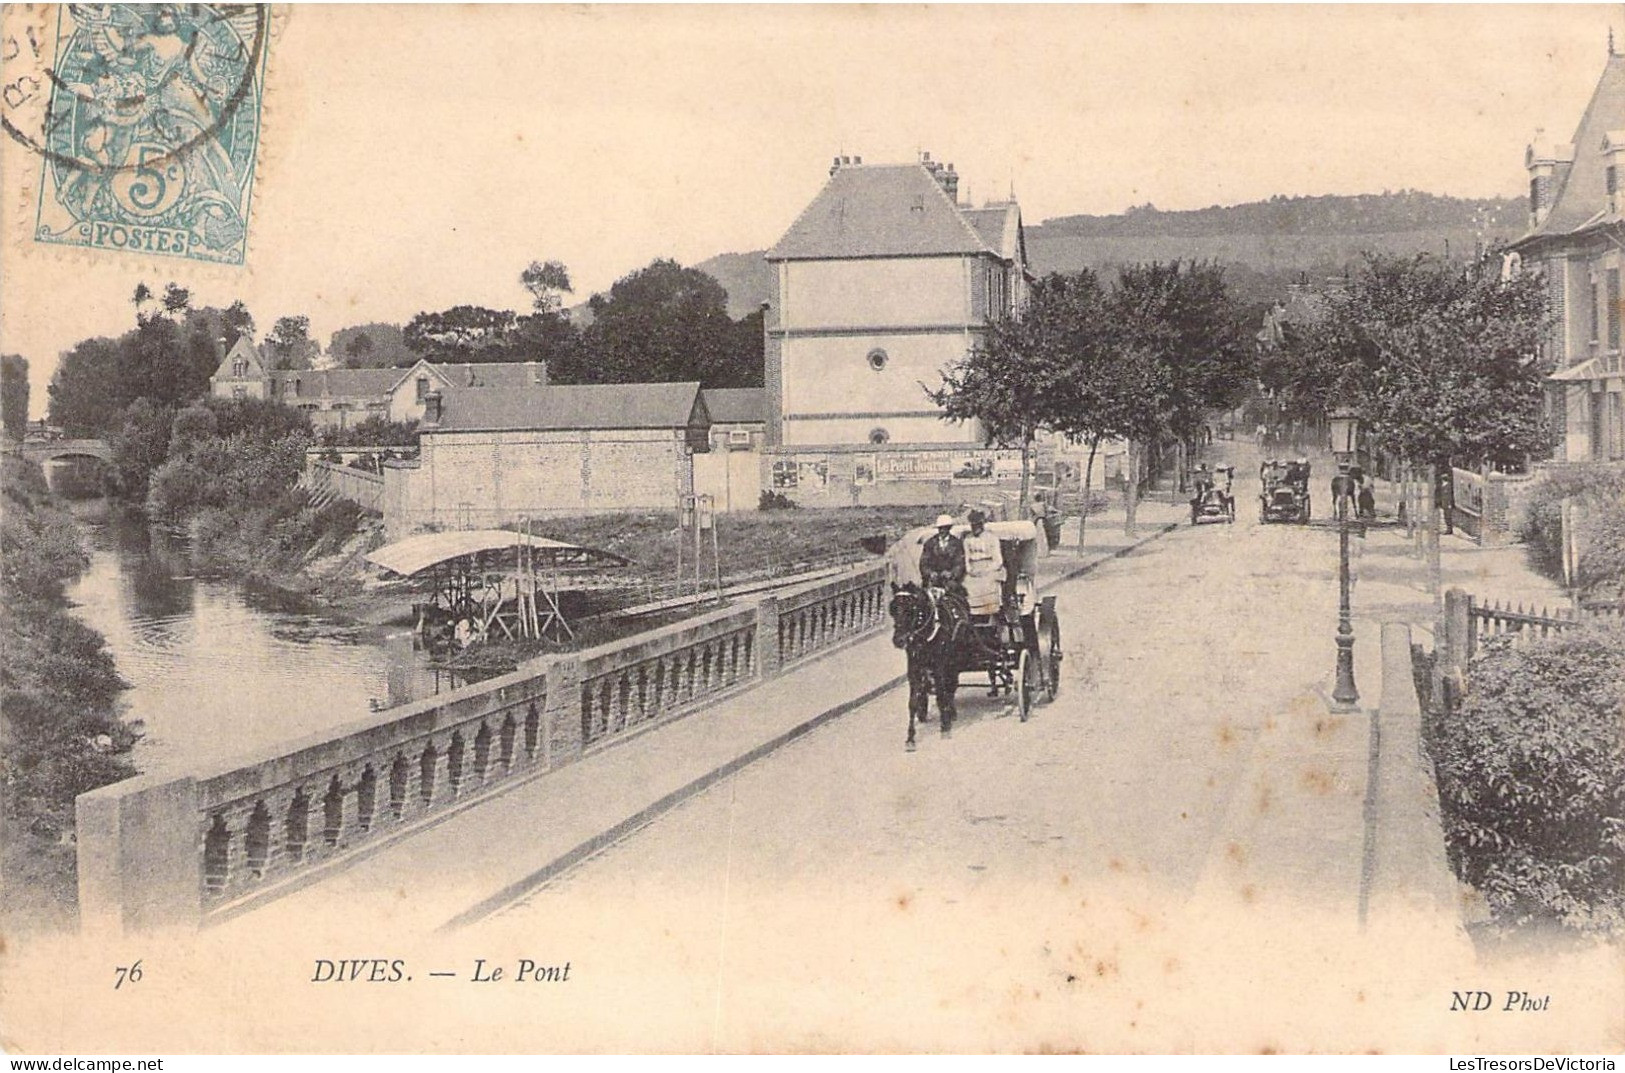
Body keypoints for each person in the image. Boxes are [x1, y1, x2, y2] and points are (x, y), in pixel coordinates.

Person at [962, 510, 1006, 615]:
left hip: (990, 566)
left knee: (988, 582)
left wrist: (986, 570)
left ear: (982, 524)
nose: (975, 528)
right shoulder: (968, 539)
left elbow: (998, 560)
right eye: (973, 525)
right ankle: (971, 611)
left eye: (977, 525)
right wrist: (970, 570)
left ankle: (991, 610)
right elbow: (966, 558)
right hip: (974, 568)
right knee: (966, 583)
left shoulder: (992, 538)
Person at [919, 514, 966, 593]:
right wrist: (930, 573)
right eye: (940, 528)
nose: (942, 531)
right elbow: (923, 562)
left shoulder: (957, 543)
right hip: (932, 580)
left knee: (955, 598)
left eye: (945, 528)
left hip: (950, 581)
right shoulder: (930, 543)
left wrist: (951, 573)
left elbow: (960, 563)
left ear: (949, 528)